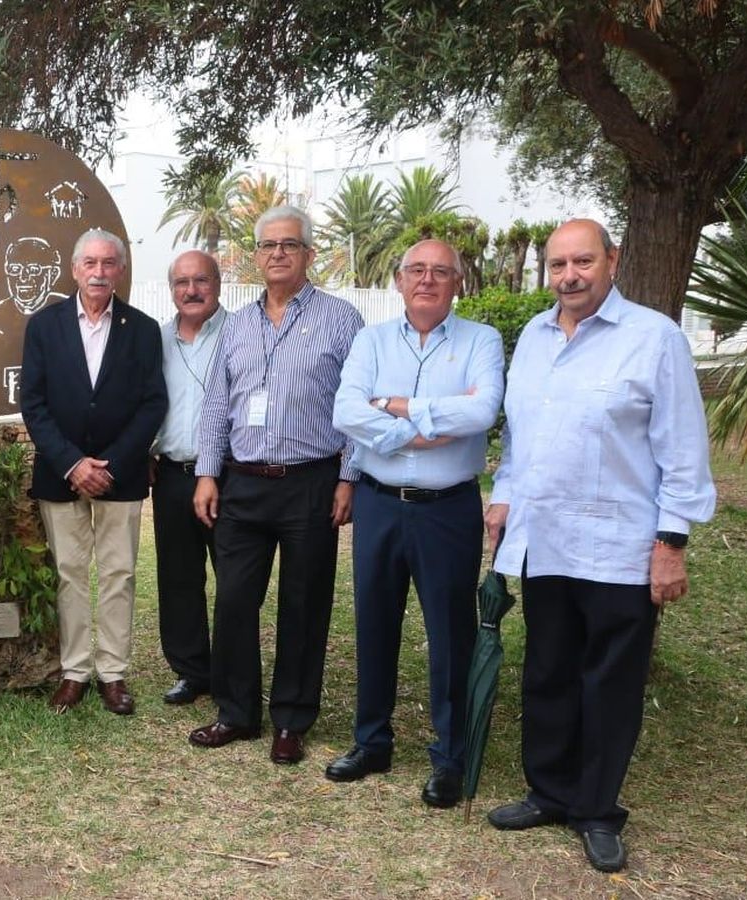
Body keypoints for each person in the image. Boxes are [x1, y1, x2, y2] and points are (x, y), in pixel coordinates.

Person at [484, 219, 715, 872]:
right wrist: (504, 493)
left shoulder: (654, 339)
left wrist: (672, 541)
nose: (569, 276)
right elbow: (521, 437)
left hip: (620, 545)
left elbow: (683, 449)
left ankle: (596, 809)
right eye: (558, 265)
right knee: (548, 672)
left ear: (612, 261)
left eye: (583, 261)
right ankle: (548, 792)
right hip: (544, 540)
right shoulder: (532, 336)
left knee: (609, 683)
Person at [328, 239, 504, 807]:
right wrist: (428, 426)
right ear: (399, 282)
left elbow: (482, 411)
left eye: (441, 272)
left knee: (449, 634)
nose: (427, 280)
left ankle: (449, 757)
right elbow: (346, 411)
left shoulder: (482, 340)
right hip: (378, 503)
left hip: (448, 509)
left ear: (457, 283)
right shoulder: (370, 340)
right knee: (374, 624)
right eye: (416, 271)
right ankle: (371, 742)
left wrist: (396, 406)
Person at [188, 207, 363, 763]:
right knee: (235, 599)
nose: (278, 254)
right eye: (268, 246)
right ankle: (236, 712)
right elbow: (217, 404)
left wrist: (348, 476)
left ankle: (291, 719)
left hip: (311, 482)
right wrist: (207, 472)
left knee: (304, 602)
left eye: (289, 244)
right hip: (243, 483)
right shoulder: (236, 324)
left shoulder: (342, 319)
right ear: (256, 256)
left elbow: (359, 406)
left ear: (309, 255)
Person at [21, 228, 166, 715]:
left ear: (121, 270)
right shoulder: (44, 326)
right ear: (75, 268)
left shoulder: (143, 330)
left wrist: (112, 464)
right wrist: (72, 464)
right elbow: (34, 404)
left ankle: (113, 672)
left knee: (119, 574)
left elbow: (152, 405)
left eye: (109, 264)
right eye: (90, 263)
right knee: (69, 573)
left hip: (119, 477)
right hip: (60, 475)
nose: (99, 272)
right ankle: (75, 670)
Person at [151, 249, 226, 705]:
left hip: (227, 476)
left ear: (217, 284)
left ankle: (233, 669)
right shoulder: (156, 340)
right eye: (182, 282)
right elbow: (145, 402)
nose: (191, 290)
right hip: (173, 474)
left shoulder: (242, 333)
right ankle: (192, 670)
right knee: (179, 579)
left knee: (234, 580)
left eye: (201, 280)